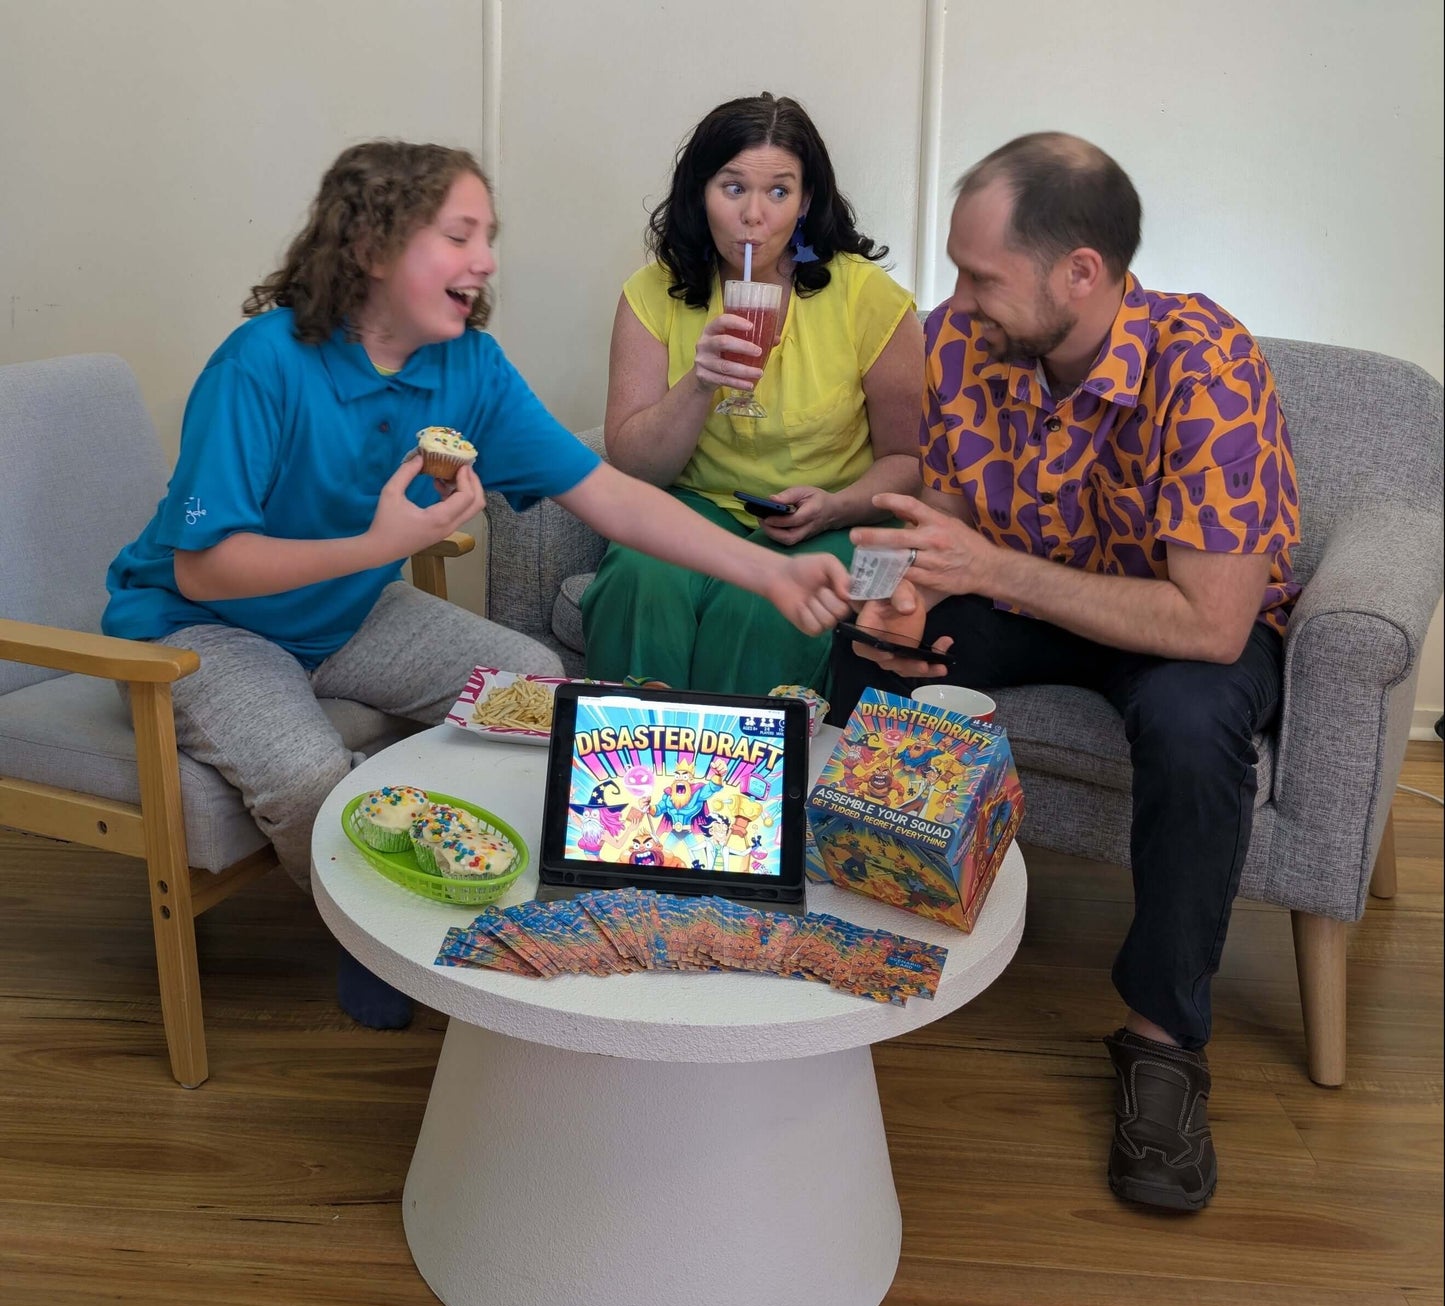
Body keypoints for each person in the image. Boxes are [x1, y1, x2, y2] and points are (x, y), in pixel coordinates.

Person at [103, 140, 851, 1031]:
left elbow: (610, 494)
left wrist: (769, 570)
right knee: (308, 776)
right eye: (459, 235)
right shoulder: (258, 365)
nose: (486, 260)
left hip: (346, 616)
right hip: (200, 631)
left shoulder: (469, 368)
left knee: (540, 689)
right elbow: (204, 563)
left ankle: (525, 902)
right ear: (372, 249)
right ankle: (372, 941)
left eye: (487, 236)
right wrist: (376, 545)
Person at [831, 133, 1300, 1212]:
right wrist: (890, 583)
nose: (955, 299)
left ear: (1078, 272)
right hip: (1027, 587)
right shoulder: (961, 341)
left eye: (979, 275)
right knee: (871, 652)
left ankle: (1162, 1042)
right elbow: (942, 505)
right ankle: (838, 916)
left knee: (1192, 731)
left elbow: (1213, 622)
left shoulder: (1205, 364)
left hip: (1176, 625)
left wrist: (991, 569)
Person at [581, 93, 923, 696]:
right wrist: (700, 383)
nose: (753, 216)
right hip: (693, 505)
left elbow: (912, 462)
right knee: (638, 576)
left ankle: (743, 780)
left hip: (831, 518)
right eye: (733, 188)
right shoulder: (652, 293)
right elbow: (632, 466)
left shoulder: (867, 298)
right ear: (700, 192)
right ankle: (626, 769)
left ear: (806, 201)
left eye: (779, 192)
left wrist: (836, 505)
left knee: (763, 601)